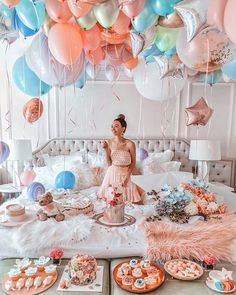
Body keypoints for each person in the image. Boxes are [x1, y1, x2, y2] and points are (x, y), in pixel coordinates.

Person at [98, 114, 143, 204]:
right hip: (112, 173)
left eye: (116, 126)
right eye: (112, 127)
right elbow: (109, 163)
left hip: (126, 173)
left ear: (123, 128)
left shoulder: (130, 144)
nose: (113, 129)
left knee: (137, 202)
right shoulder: (108, 142)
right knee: (110, 200)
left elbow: (133, 162)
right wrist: (106, 149)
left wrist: (127, 177)